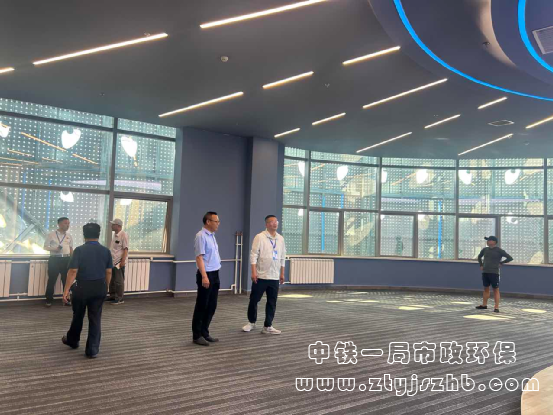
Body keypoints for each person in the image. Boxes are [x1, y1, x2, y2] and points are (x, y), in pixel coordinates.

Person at [61, 223, 112, 358]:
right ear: (98, 234)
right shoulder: (106, 251)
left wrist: (66, 291)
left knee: (78, 315)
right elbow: (108, 272)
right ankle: (92, 349)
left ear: (84, 235)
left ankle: (73, 341)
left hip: (82, 288)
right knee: (95, 318)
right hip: (99, 287)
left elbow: (73, 271)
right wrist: (105, 287)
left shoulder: (79, 250)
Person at [243, 215, 286, 335]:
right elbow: (253, 255)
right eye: (271, 222)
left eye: (276, 221)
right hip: (261, 276)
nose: (274, 223)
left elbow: (282, 256)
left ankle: (268, 326)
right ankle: (251, 322)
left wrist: (282, 273)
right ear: (267, 224)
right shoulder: (260, 237)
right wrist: (253, 272)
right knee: (254, 300)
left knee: (272, 302)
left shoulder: (280, 239)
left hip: (274, 276)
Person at [191, 212, 222, 346]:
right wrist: (204, 276)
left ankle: (205, 332)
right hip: (206, 274)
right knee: (202, 305)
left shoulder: (212, 236)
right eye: (216, 221)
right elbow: (199, 257)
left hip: (215, 273)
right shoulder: (201, 236)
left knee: (212, 305)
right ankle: (197, 335)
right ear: (208, 222)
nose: (218, 224)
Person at [476, 236, 513, 313]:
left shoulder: (499, 250)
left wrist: (501, 263)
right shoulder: (485, 249)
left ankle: (496, 307)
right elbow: (479, 257)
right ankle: (484, 305)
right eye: (487, 240)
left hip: (494, 272)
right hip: (485, 272)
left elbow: (509, 258)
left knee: (495, 289)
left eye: (489, 240)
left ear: (494, 242)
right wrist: (481, 265)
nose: (488, 242)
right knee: (486, 288)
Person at [43, 217, 73, 307]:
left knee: (66, 280)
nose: (67, 225)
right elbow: (45, 247)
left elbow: (71, 248)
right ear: (59, 224)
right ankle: (48, 300)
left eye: (68, 223)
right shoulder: (51, 235)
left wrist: (72, 259)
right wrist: (54, 249)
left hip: (66, 259)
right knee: (52, 279)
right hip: (54, 259)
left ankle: (66, 299)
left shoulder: (69, 236)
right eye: (65, 223)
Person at [107, 219, 129, 305]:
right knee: (112, 280)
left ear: (118, 226)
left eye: (113, 224)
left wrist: (122, 261)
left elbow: (125, 249)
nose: (111, 226)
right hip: (112, 261)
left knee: (118, 281)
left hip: (119, 262)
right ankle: (112, 296)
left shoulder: (124, 235)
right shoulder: (115, 235)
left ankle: (119, 298)